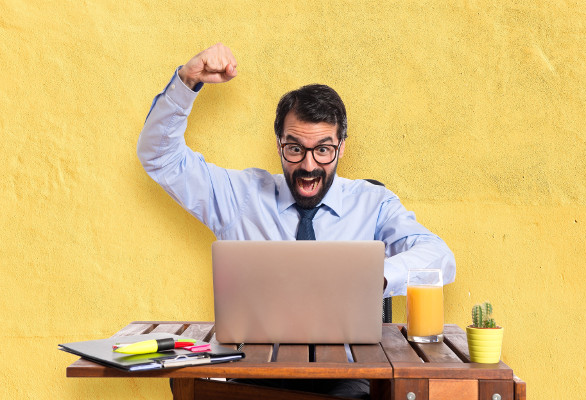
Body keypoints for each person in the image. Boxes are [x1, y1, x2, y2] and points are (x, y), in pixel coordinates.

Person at [137, 43, 456, 399]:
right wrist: (186, 81)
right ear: (278, 146)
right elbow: (159, 157)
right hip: (255, 371)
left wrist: (378, 276)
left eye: (323, 149)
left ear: (341, 148)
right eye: (295, 148)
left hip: (347, 377)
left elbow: (439, 255)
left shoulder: (373, 203)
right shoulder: (240, 196)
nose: (308, 165)